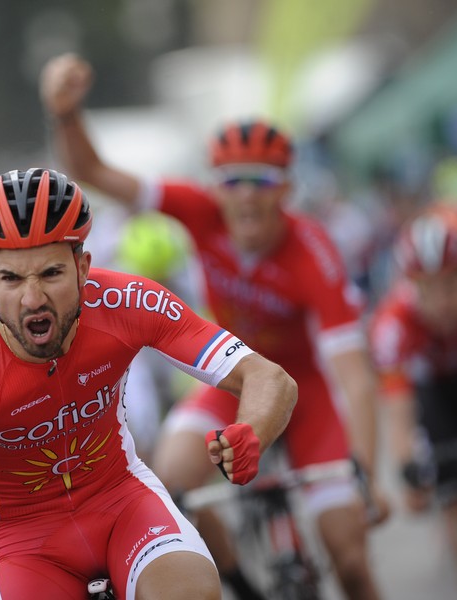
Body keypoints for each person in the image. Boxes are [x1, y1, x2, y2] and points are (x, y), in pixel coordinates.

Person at [40, 53, 386, 600]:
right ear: (217, 187)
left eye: (262, 181)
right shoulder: (199, 209)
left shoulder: (312, 251)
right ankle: (243, 585)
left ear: (286, 190)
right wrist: (66, 115)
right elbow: (95, 172)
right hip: (238, 376)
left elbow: (353, 373)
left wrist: (365, 469)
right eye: (233, 181)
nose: (246, 193)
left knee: (349, 556)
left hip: (308, 391)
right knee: (174, 484)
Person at [0, 167, 297, 600]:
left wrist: (253, 430)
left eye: (51, 274)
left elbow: (268, 376)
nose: (32, 298)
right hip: (24, 543)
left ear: (83, 267)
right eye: (11, 278)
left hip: (123, 504)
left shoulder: (124, 301)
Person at [369, 212, 457, 600]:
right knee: (456, 504)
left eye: (452, 286)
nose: (442, 302)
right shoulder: (393, 325)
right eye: (429, 290)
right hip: (437, 392)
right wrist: (409, 468)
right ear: (412, 289)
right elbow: (398, 408)